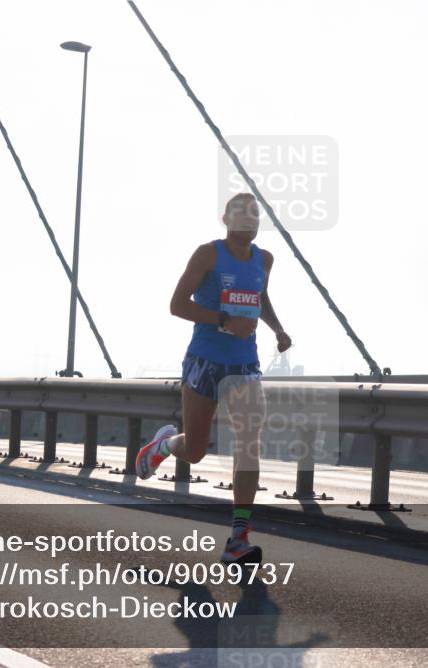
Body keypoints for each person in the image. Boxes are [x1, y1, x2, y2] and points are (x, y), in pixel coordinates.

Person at [135, 192, 291, 565]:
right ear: (225, 218)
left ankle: (238, 540)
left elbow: (260, 297)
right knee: (196, 451)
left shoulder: (265, 259)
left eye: (255, 213)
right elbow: (177, 305)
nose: (249, 218)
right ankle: (163, 446)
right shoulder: (208, 254)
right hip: (204, 361)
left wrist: (278, 329)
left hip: (245, 366)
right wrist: (224, 320)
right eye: (241, 212)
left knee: (248, 444)